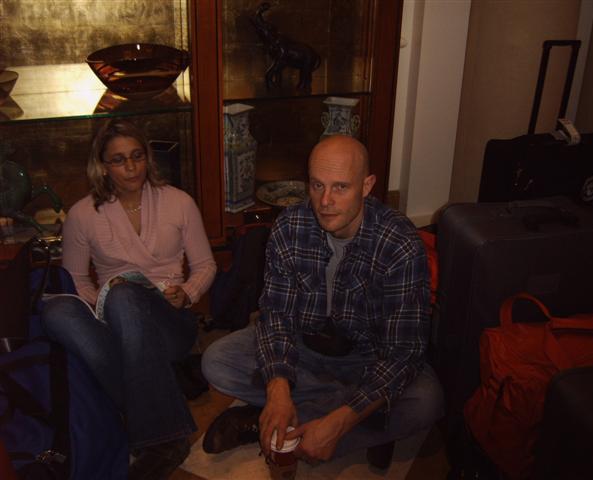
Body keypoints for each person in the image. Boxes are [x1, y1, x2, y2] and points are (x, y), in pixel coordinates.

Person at [201, 135, 443, 469]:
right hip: (304, 348)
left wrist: (342, 421)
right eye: (317, 185)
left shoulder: (399, 242)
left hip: (367, 357)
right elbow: (277, 316)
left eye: (340, 187)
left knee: (427, 400)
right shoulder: (290, 225)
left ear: (367, 186)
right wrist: (278, 388)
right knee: (217, 361)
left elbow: (404, 351)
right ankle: (371, 419)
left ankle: (268, 423)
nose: (325, 201)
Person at [41, 119, 216, 479]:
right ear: (103, 166)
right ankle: (160, 416)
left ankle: (162, 439)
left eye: (137, 156)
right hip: (113, 316)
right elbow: (75, 279)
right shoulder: (82, 214)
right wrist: (99, 303)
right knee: (55, 310)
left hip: (170, 321)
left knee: (124, 295)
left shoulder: (178, 202)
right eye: (119, 160)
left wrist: (187, 293)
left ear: (148, 157)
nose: (131, 167)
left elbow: (205, 265)